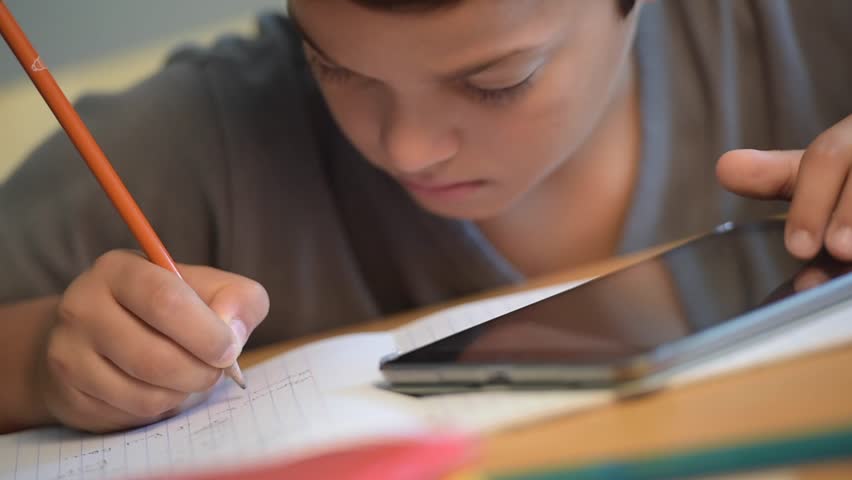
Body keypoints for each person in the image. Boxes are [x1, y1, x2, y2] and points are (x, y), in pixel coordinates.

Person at [0, 0, 850, 433]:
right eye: (332, 66)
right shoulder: (192, 144)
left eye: (497, 81)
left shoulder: (807, 33)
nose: (407, 148)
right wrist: (43, 363)